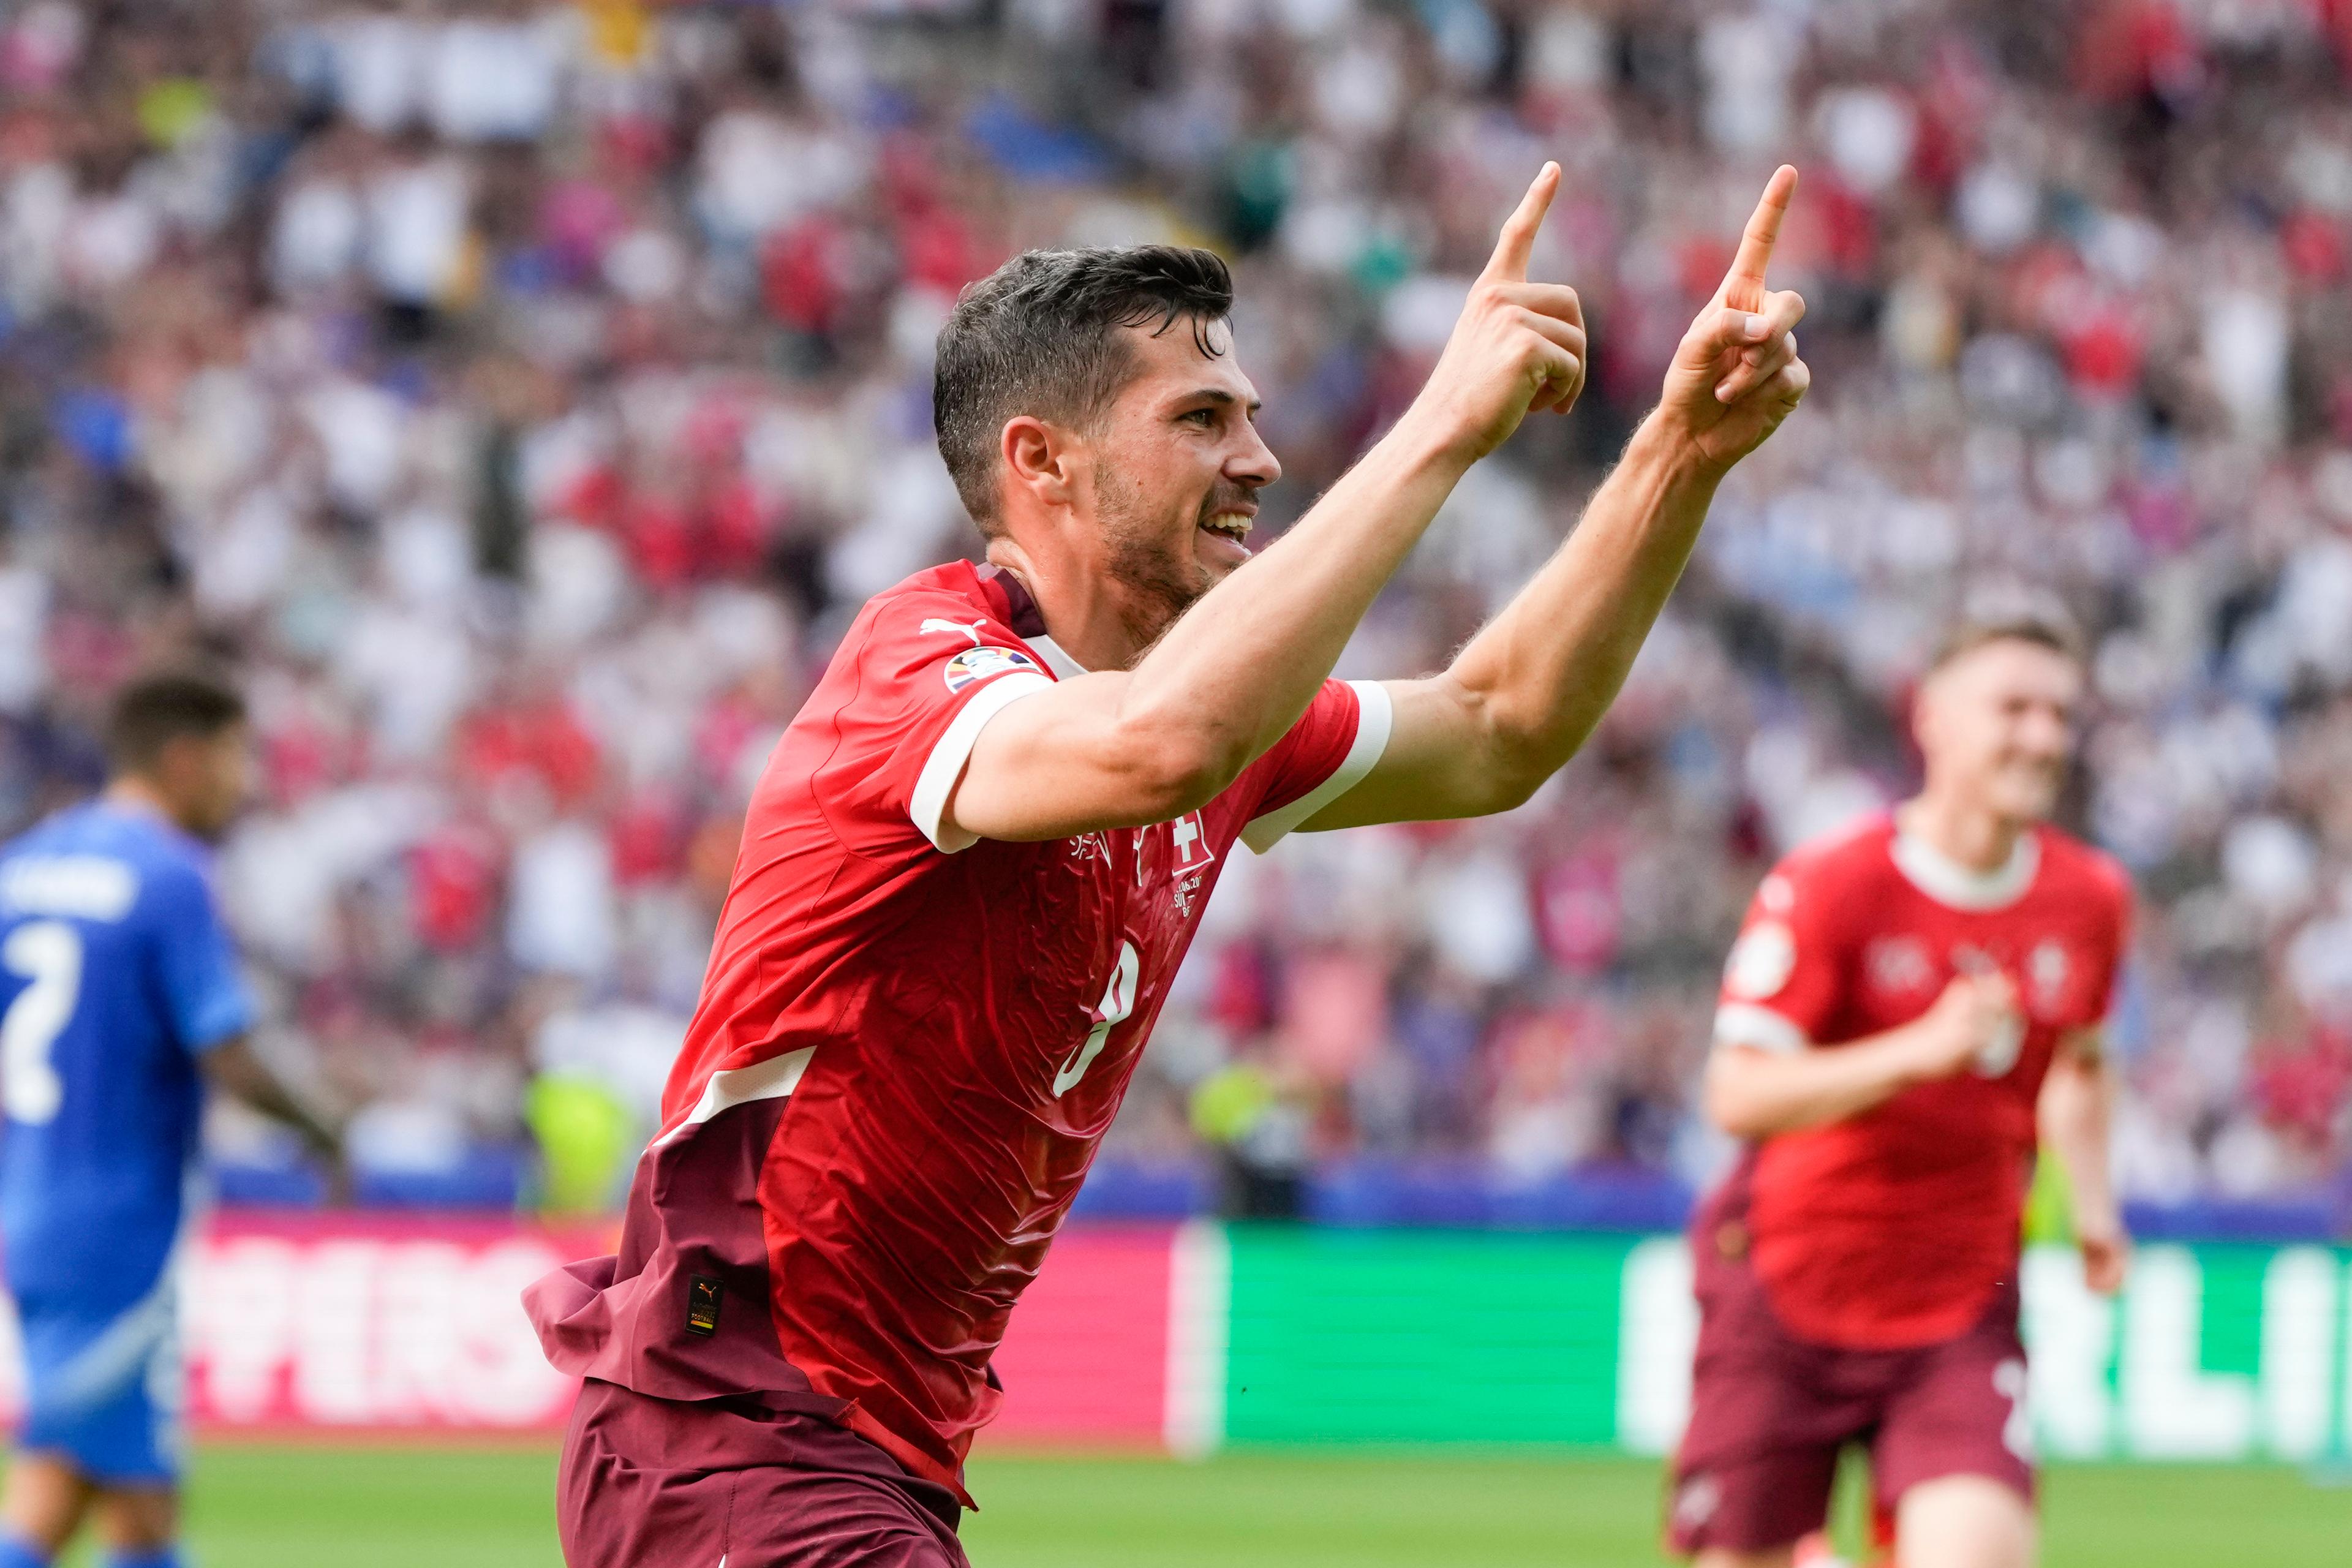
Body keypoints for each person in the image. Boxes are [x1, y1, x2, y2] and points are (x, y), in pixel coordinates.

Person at [527, 162, 1812, 1567]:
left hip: (863, 1456)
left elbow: (1502, 726)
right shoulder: (925, 672)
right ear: (1043, 463)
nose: (1258, 457)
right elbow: (1160, 745)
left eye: (1252, 417)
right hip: (733, 1430)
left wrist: (1678, 451)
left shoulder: (1207, 712)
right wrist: (1442, 421)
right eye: (1202, 419)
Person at [1668, 609, 2135, 1568]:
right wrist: (1916, 1054)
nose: (2044, 736)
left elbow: (2080, 1063)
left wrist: (2094, 1208)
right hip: (1781, 1287)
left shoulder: (2090, 900)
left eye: (2060, 713)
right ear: (1931, 718)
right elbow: (1737, 1095)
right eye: (2014, 707)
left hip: (1960, 1305)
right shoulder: (1834, 883)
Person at [0, 670, 346, 1568]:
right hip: (120, 1221)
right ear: (183, 759)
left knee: (115, 1489)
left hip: (30, 1209)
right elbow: (225, 1049)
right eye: (236, 759)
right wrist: (326, 1130)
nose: (246, 782)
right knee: (75, 1489)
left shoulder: (21, 869)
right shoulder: (169, 876)